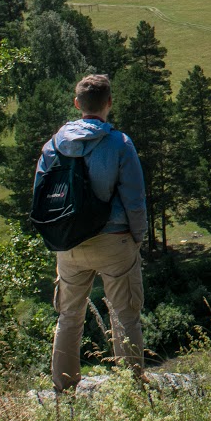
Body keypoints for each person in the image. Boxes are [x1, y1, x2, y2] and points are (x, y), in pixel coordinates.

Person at [35, 73, 148, 392]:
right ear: (109, 103)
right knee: (125, 317)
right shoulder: (119, 144)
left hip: (68, 243)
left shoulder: (53, 145)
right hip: (114, 241)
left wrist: (55, 238)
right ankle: (132, 388)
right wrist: (137, 238)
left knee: (69, 316)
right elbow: (135, 200)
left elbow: (41, 197)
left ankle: (64, 388)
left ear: (77, 104)